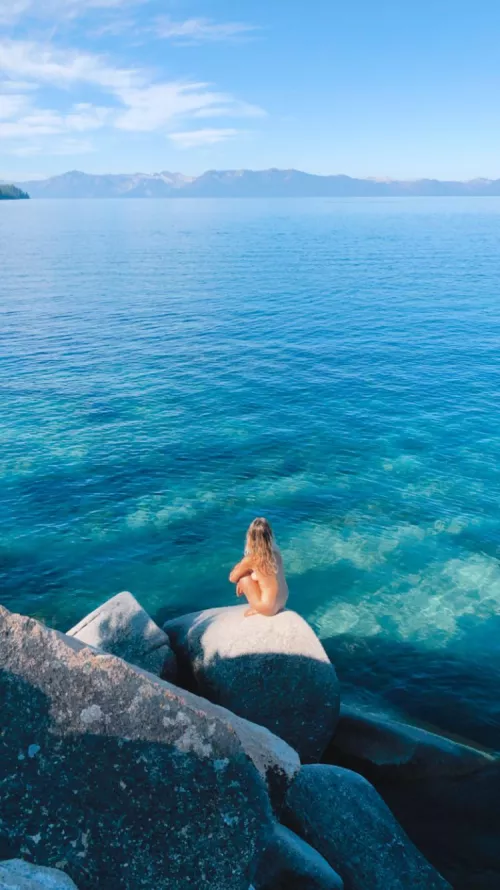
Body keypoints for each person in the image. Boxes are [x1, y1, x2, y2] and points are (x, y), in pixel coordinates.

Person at [229, 517, 289, 617]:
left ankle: (259, 609)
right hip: (283, 601)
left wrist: (242, 569)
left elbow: (232, 578)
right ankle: (263, 605)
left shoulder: (252, 559)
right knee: (256, 575)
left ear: (250, 537)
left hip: (269, 609)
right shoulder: (276, 552)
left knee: (243, 578)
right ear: (270, 535)